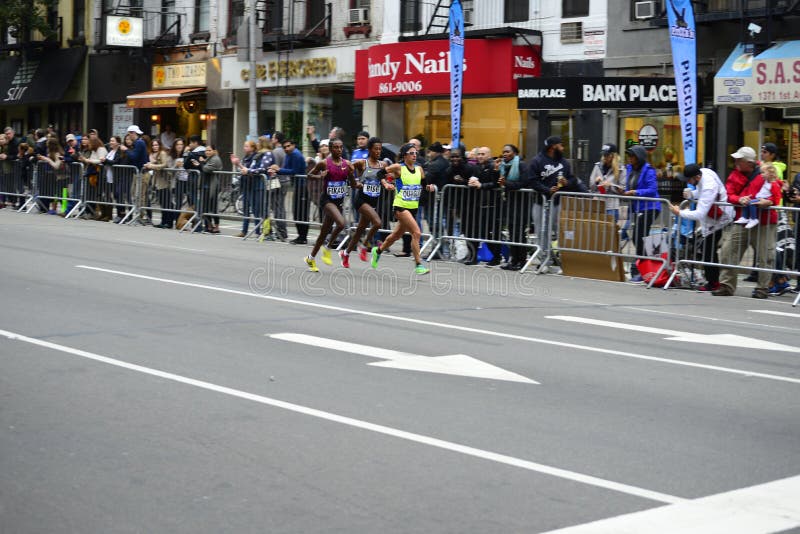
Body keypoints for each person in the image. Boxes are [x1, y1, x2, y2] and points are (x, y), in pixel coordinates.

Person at [713, 146, 776, 298]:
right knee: (729, 250)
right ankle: (726, 285)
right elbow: (729, 194)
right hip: (742, 219)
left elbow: (775, 189)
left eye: (739, 160)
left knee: (765, 255)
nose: (736, 163)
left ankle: (762, 288)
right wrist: (739, 199)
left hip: (764, 221)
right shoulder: (735, 174)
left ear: (749, 162)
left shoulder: (766, 171)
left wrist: (767, 201)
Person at [370, 143, 435, 275]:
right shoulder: (398, 167)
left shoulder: (419, 169)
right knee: (416, 233)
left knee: (396, 236)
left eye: (416, 153)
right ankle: (418, 265)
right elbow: (379, 174)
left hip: (413, 208)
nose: (415, 155)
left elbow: (424, 184)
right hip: (400, 206)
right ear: (405, 155)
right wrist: (386, 183)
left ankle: (378, 251)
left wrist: (429, 187)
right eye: (411, 153)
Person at [668, 164, 733, 292]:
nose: (688, 182)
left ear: (697, 177)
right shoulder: (704, 173)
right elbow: (701, 193)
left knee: (709, 250)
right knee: (707, 249)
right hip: (714, 218)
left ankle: (714, 282)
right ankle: (713, 280)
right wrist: (692, 194)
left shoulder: (709, 186)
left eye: (689, 180)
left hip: (720, 220)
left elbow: (700, 213)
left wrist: (679, 213)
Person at [303, 139, 355, 272]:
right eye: (336, 147)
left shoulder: (347, 164)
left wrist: (360, 183)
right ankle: (328, 248)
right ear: (331, 149)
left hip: (339, 202)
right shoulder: (324, 163)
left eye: (341, 147)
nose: (339, 150)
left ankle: (311, 258)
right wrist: (320, 176)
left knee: (323, 233)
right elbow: (309, 175)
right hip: (326, 201)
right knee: (341, 223)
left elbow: (353, 183)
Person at [342, 137, 389, 266]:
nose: (378, 151)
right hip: (361, 199)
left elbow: (386, 178)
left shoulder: (383, 165)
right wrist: (354, 182)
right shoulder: (362, 163)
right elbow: (347, 170)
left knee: (359, 231)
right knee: (377, 223)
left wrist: (388, 184)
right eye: (376, 149)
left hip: (373, 201)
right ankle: (364, 246)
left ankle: (345, 254)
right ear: (369, 150)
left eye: (380, 149)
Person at [623, 144, 661, 283]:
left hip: (650, 207)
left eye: (632, 156)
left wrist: (636, 192)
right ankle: (648, 267)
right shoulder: (629, 169)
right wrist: (623, 191)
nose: (629, 158)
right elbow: (629, 185)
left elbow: (652, 189)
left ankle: (643, 269)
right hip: (637, 207)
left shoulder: (648, 170)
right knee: (638, 237)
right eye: (628, 156)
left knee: (639, 235)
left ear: (639, 157)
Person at [269, 139, 309, 244]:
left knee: (301, 213)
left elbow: (294, 171)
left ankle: (303, 237)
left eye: (288, 146)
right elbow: (286, 168)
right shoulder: (288, 154)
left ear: (293, 145)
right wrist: (277, 168)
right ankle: (301, 236)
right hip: (297, 185)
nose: (286, 148)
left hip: (302, 186)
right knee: (297, 212)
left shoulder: (295, 154)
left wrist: (278, 170)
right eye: (285, 147)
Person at [497, 144, 530, 270]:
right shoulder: (503, 167)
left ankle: (521, 261)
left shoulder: (521, 165)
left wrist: (507, 183)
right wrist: (496, 172)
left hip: (520, 204)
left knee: (519, 233)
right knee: (511, 232)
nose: (505, 154)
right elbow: (500, 182)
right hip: (509, 203)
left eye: (507, 152)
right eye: (503, 152)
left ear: (515, 153)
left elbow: (523, 183)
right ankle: (514, 260)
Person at [231, 140, 268, 238]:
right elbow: (243, 170)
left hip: (253, 185)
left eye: (246, 146)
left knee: (255, 209)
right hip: (246, 185)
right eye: (244, 146)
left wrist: (239, 164)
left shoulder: (256, 157)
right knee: (246, 209)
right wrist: (237, 164)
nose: (244, 148)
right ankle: (244, 230)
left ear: (252, 148)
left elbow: (250, 171)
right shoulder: (246, 157)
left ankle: (258, 231)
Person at [589, 143, 627, 222]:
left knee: (610, 232)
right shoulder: (597, 166)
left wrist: (610, 185)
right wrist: (596, 182)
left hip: (612, 206)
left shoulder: (621, 169)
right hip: (598, 205)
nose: (604, 157)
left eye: (607, 155)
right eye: (603, 155)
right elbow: (591, 187)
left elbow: (622, 189)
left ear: (613, 156)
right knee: (596, 231)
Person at [734, 162, 779, 229]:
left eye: (763, 173)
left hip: (763, 200)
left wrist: (770, 201)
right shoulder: (766, 181)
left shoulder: (774, 184)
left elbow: (776, 196)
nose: (761, 175)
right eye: (761, 172)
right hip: (760, 198)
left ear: (770, 173)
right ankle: (745, 217)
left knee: (751, 203)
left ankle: (753, 218)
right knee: (748, 202)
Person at [143, 139, 171, 228]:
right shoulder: (152, 154)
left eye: (156, 145)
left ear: (160, 145)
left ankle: (168, 222)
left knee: (166, 202)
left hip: (163, 180)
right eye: (153, 145)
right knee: (162, 202)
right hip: (156, 181)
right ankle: (163, 221)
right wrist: (149, 164)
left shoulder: (162, 153)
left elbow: (165, 165)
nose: (155, 147)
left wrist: (152, 165)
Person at [199, 143, 223, 233]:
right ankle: (209, 226)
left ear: (214, 151)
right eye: (206, 150)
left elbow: (206, 169)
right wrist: (202, 163)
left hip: (213, 186)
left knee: (213, 207)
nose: (207, 152)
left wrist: (201, 163)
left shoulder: (216, 159)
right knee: (205, 207)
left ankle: (216, 226)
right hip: (206, 185)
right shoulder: (208, 159)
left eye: (209, 150)